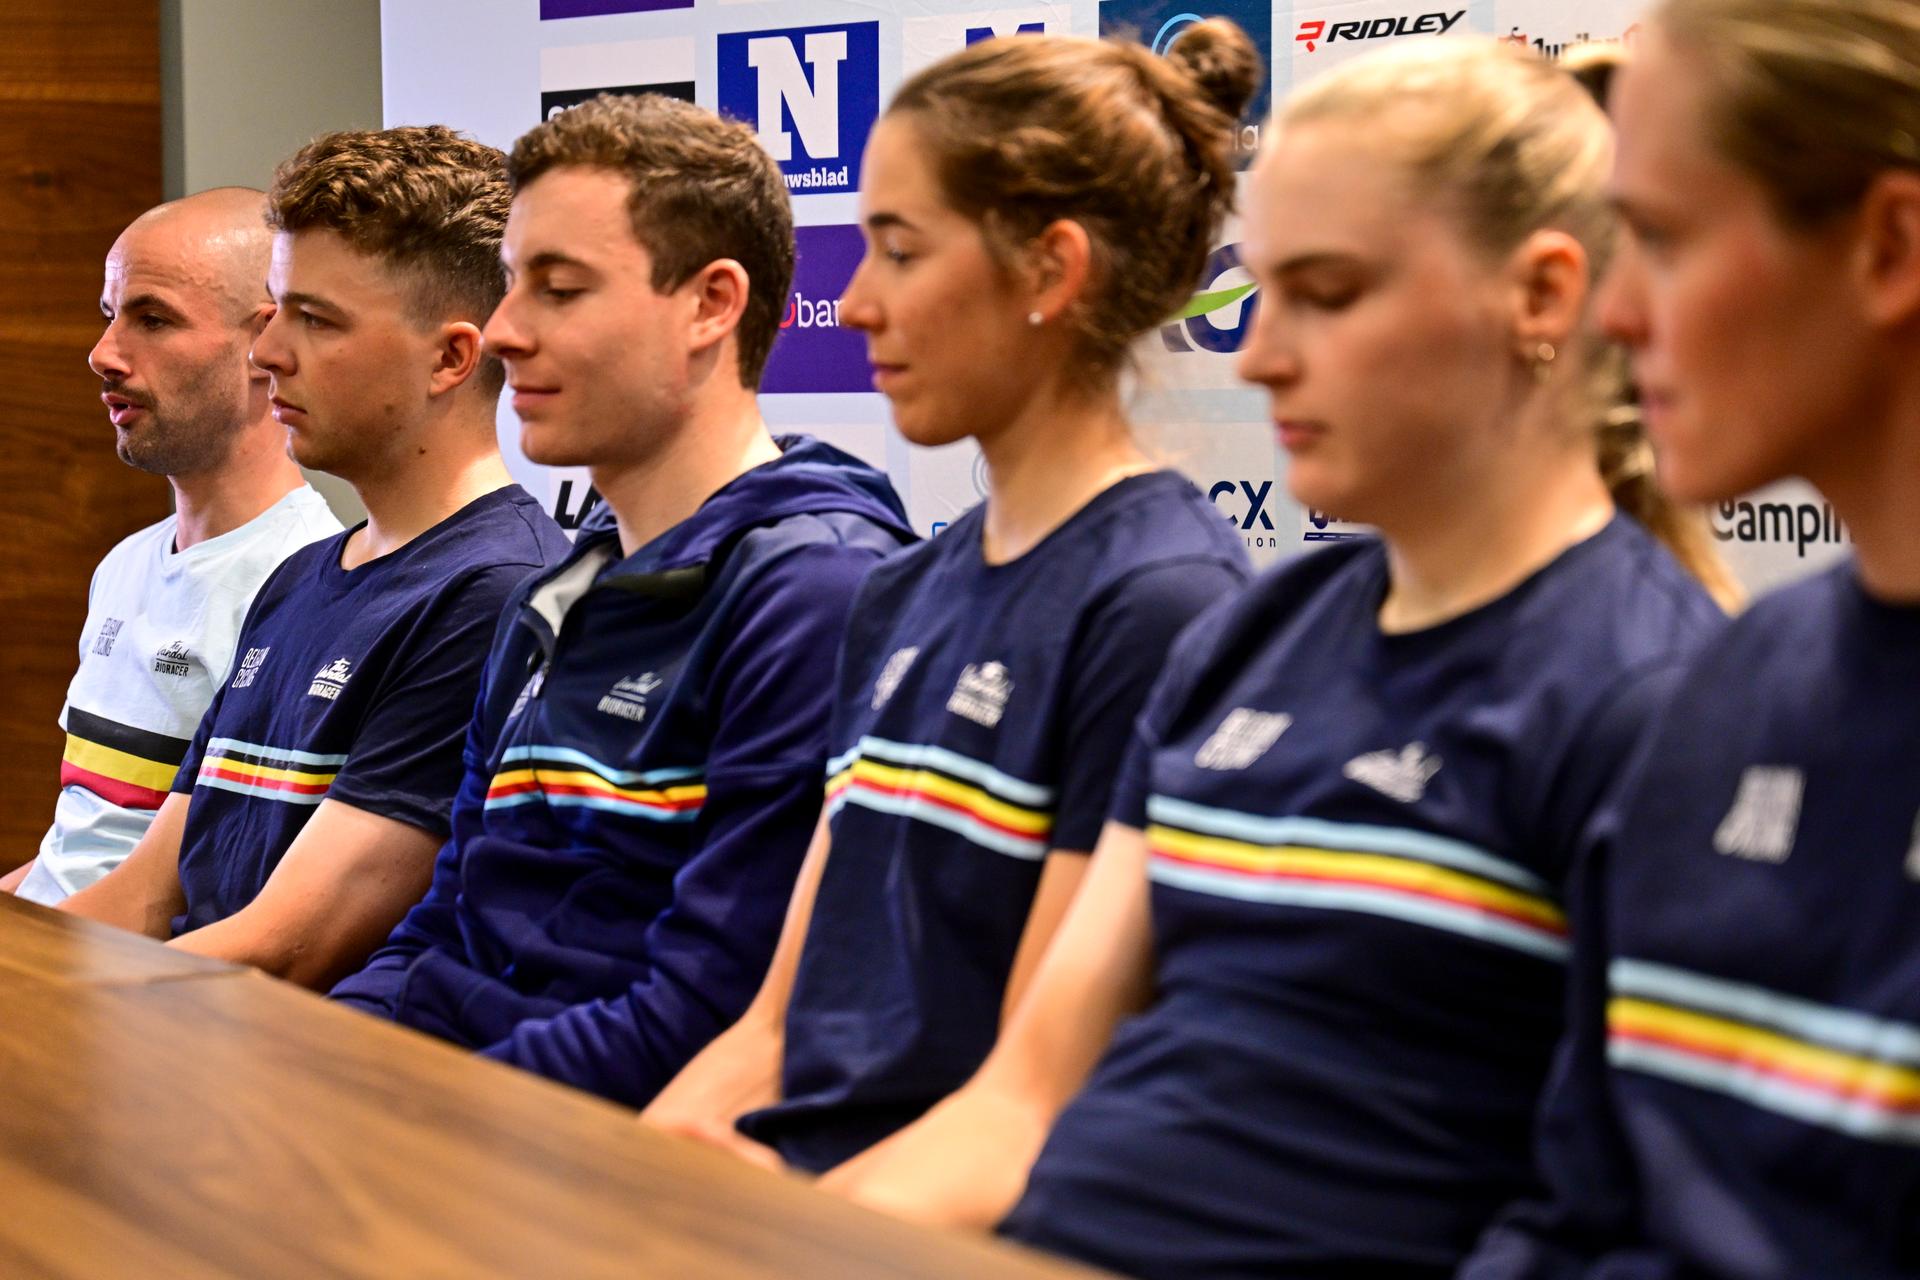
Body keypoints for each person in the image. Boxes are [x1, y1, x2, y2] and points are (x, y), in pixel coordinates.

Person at [819, 38, 1737, 1279]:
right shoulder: (1248, 637)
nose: (1257, 356)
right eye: (1262, 293)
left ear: (1541, 296)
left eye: (1330, 293)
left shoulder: (1657, 696)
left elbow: (1607, 1224)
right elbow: (1020, 1100)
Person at [643, 24, 1255, 1167]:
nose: (854, 303)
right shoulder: (904, 586)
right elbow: (775, 1026)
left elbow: (1026, 1108)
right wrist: (649, 1167)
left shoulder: (1162, 602)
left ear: (1051, 270)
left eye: (900, 251)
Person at [325, 94, 915, 1107]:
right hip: (453, 1113)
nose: (504, 333)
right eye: (511, 283)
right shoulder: (554, 593)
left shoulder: (817, 592)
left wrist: (408, 1109)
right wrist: (317, 1061)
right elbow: (440, 928)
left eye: (559, 290)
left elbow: (703, 1015)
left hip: (605, 1154)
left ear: (710, 304)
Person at [1461, 5, 1920, 1278]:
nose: (1611, 315)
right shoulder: (1727, 685)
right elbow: (1572, 1212)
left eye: (1659, 240)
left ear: (1889, 246)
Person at [60, 127, 570, 991]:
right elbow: (143, 893)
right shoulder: (301, 577)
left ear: (451, 358)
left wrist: (50, 1007)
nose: (266, 354)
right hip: (180, 1025)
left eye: (315, 320)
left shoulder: (496, 594)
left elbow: (288, 946)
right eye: (275, 311)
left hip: (277, 1056)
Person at [5, 189, 341, 905]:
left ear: (266, 344)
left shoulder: (306, 586)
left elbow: (203, 900)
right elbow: (76, 852)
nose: (103, 355)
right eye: (110, 316)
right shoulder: (126, 564)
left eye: (152, 320)